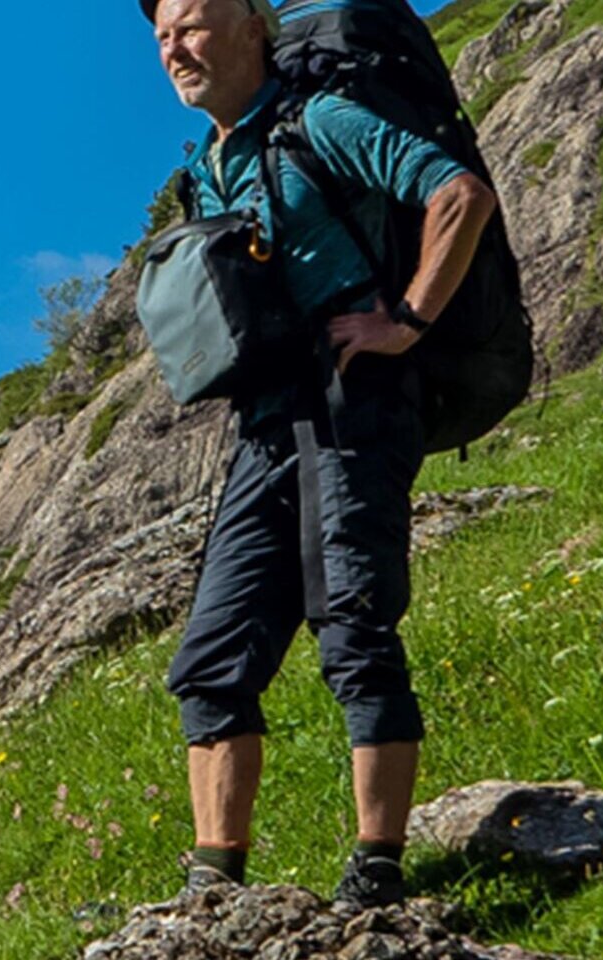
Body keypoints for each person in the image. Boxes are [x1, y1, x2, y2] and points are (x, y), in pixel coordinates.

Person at [140, 0, 499, 907]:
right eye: (161, 36)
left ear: (256, 22)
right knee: (211, 656)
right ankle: (213, 886)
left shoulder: (322, 121)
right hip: (265, 422)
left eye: (192, 23)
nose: (174, 46)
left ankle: (377, 868)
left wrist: (406, 320)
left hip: (355, 399)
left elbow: (458, 194)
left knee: (354, 625)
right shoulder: (208, 166)